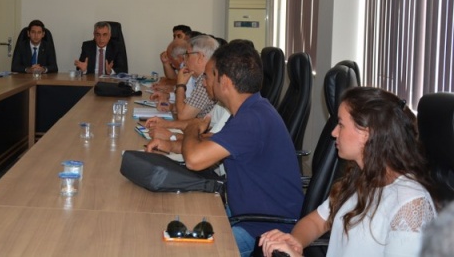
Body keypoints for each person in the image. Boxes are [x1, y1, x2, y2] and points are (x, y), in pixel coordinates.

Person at [259, 87, 437, 257]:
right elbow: (316, 222)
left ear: (366, 133)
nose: (334, 132)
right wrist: (294, 241)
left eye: (341, 124)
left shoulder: (411, 205)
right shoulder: (360, 176)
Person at [175, 39, 303, 256]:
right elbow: (213, 144)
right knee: (180, 224)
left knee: (188, 251)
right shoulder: (253, 109)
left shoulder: (251, 120)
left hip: (262, 230)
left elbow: (194, 160)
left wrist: (191, 127)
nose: (204, 83)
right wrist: (168, 143)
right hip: (243, 213)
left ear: (224, 81)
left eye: (208, 76)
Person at [145, 57, 230, 147]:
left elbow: (209, 143)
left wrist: (172, 136)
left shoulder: (233, 110)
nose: (203, 83)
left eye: (207, 78)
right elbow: (200, 122)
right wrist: (167, 124)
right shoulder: (222, 103)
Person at [151, 35, 218, 120]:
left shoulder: (205, 80)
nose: (184, 59)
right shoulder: (203, 77)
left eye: (187, 55)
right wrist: (172, 107)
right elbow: (189, 109)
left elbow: (183, 116)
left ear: (200, 57)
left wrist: (180, 85)